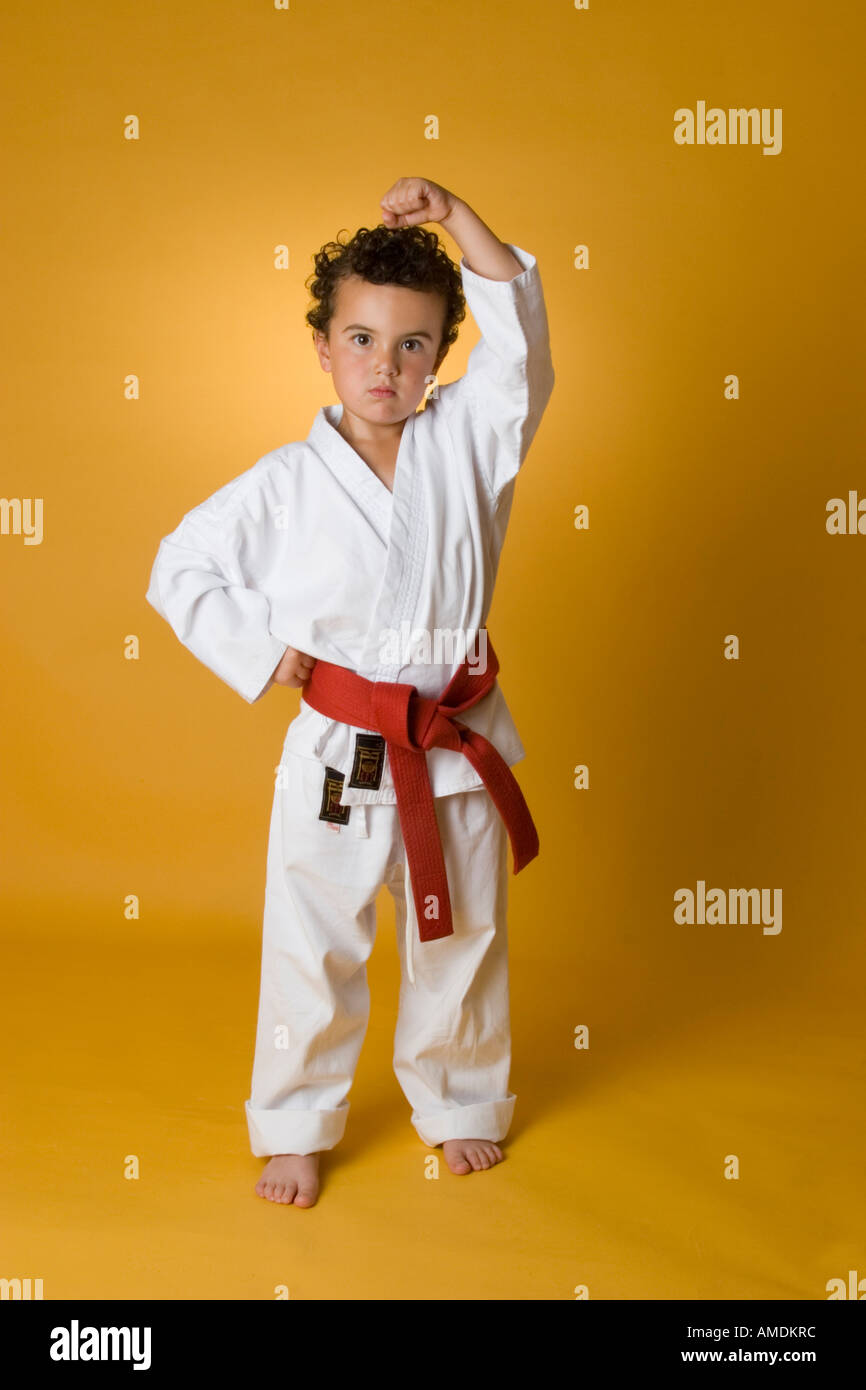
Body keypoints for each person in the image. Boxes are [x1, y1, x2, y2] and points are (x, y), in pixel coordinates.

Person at [145, 176, 555, 1207]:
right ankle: (294, 1124)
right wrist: (258, 646)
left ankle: (459, 1101)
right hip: (337, 755)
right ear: (323, 348)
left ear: (441, 360)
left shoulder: (472, 440)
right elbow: (178, 565)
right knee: (310, 945)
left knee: (458, 941)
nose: (386, 364)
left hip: (452, 744)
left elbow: (523, 353)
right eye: (363, 340)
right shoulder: (285, 482)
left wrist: (459, 217)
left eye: (413, 344)